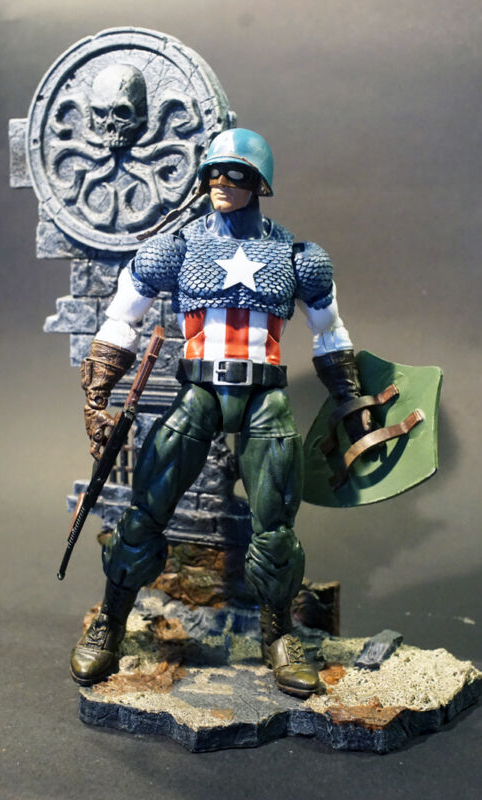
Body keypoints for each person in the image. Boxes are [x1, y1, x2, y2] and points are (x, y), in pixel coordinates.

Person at [70, 128, 369, 697]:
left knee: (275, 527)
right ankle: (111, 619)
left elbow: (331, 332)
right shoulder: (177, 248)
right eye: (212, 172)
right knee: (146, 509)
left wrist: (349, 396)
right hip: (200, 390)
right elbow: (122, 316)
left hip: (264, 395)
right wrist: (97, 394)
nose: (220, 184)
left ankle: (278, 636)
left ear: (260, 183)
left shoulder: (297, 257)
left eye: (235, 174)